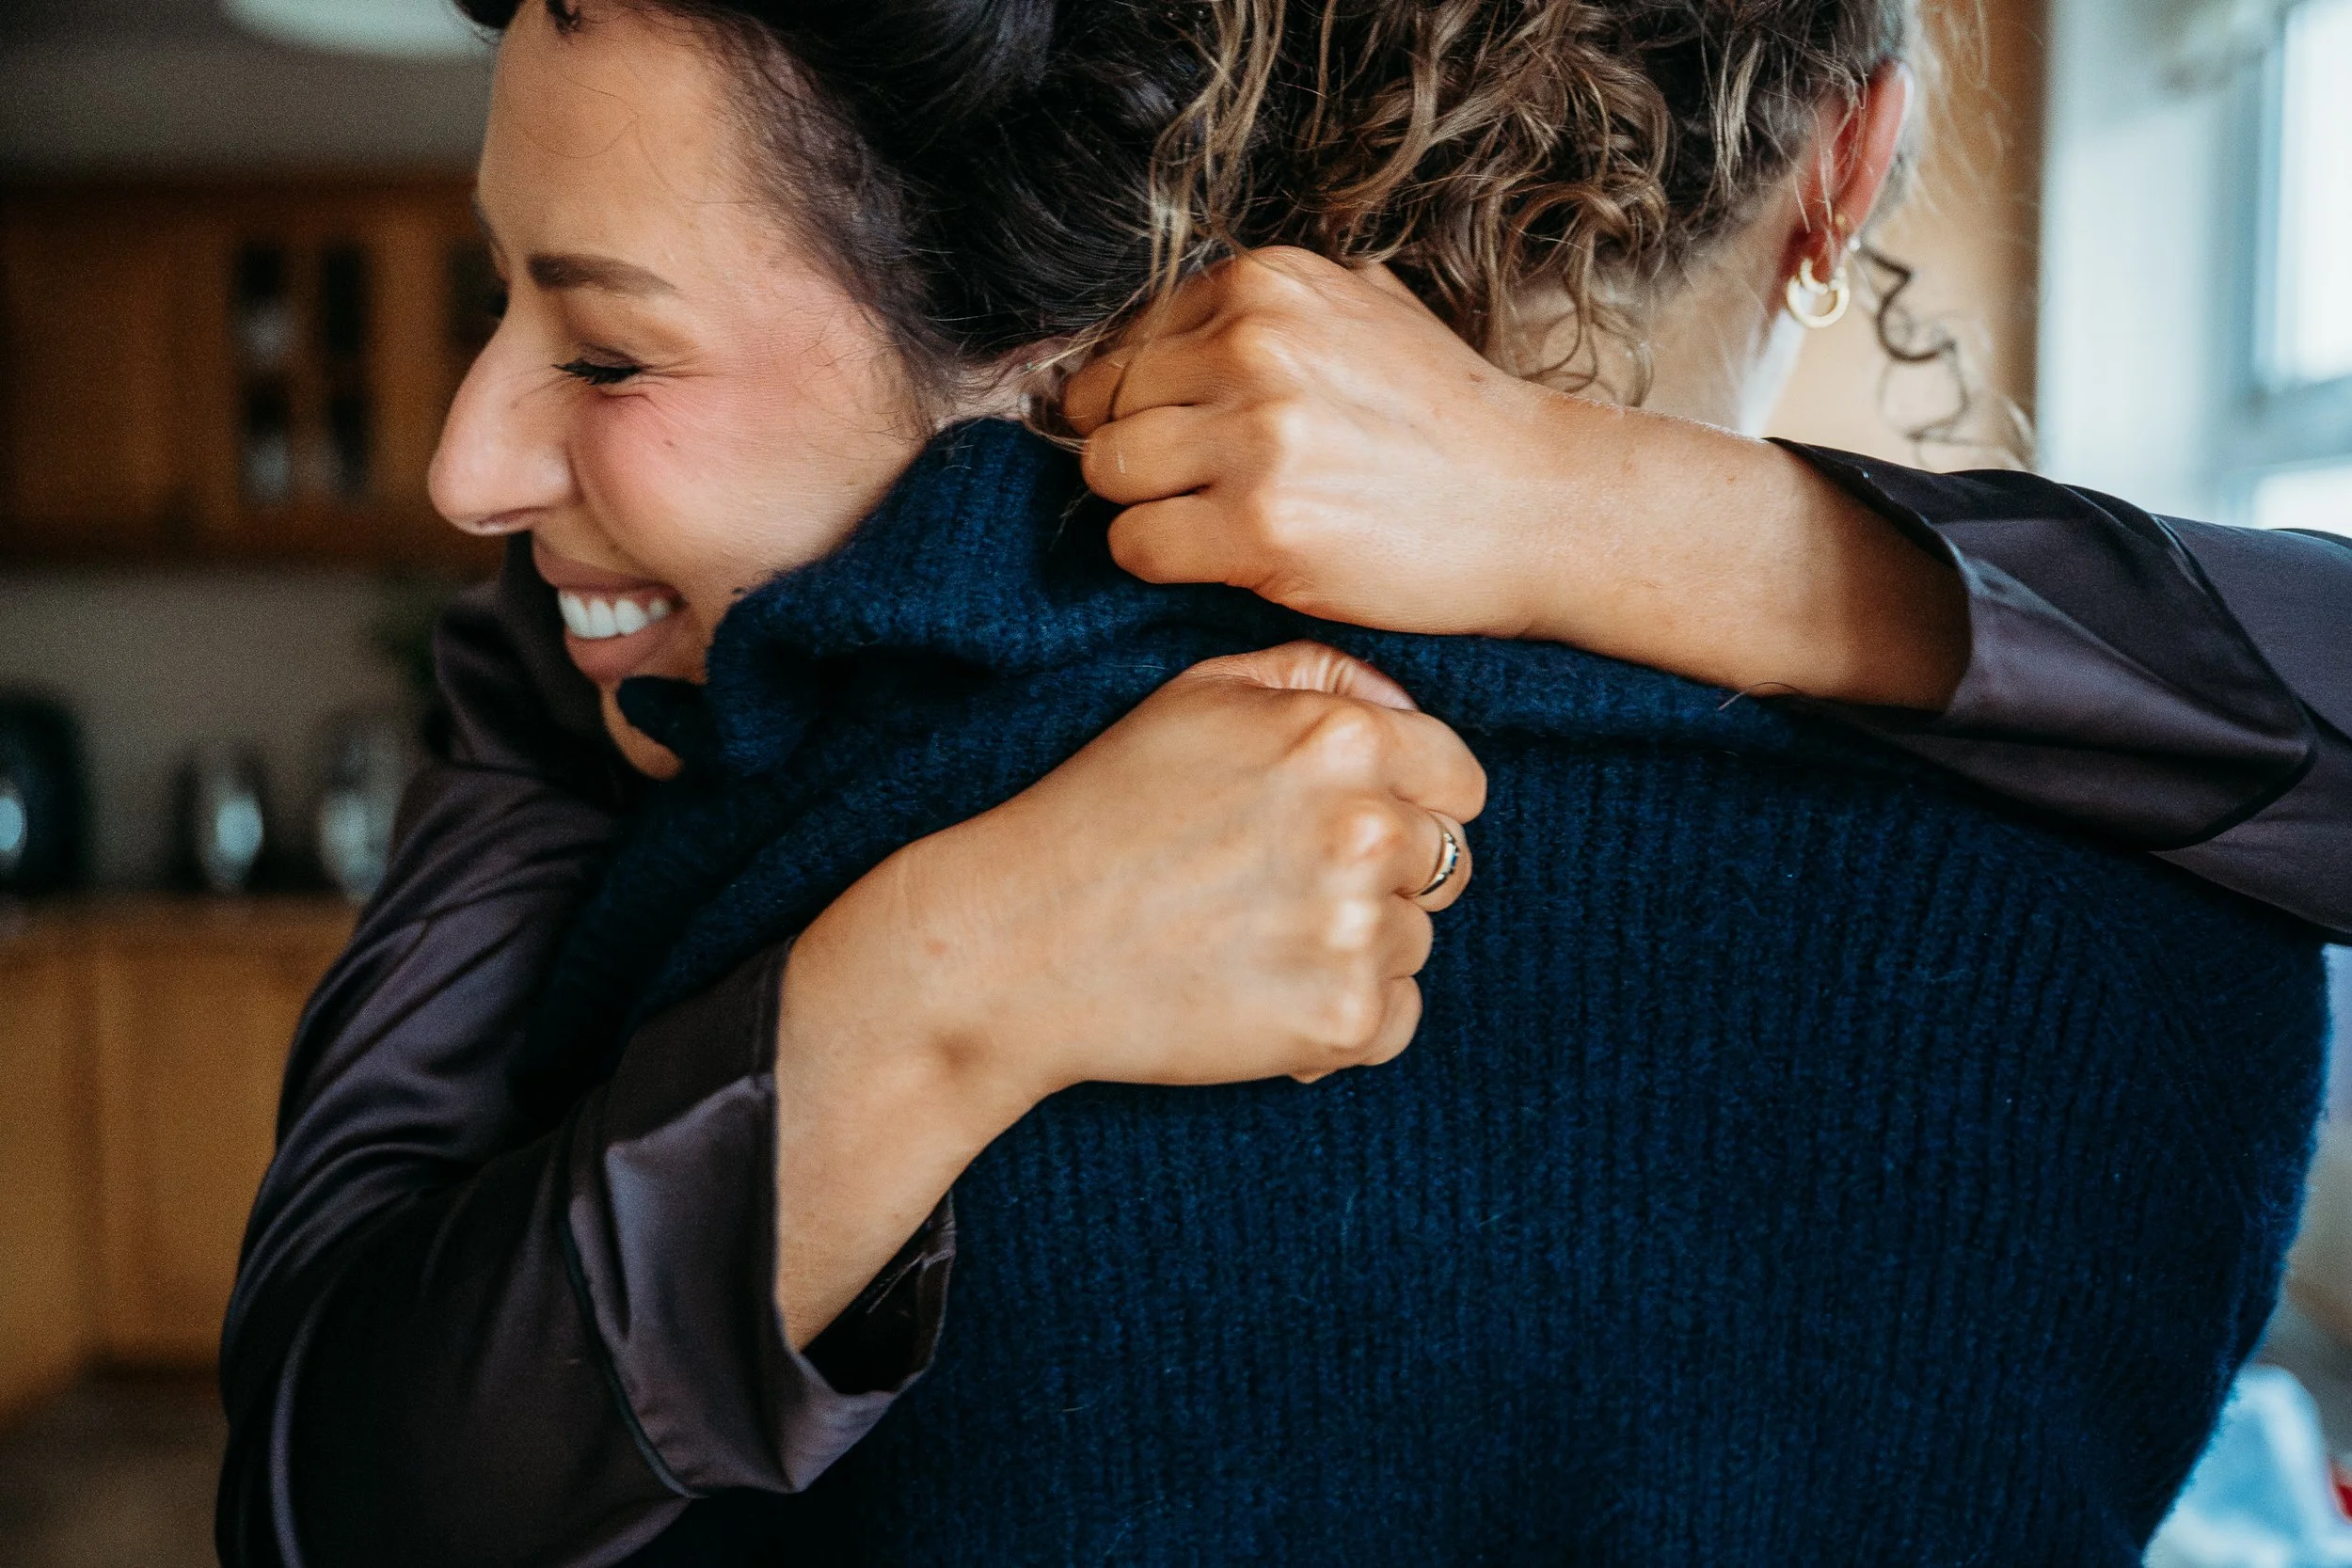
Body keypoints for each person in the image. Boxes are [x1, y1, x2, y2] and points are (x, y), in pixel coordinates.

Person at [215, 1, 2342, 1564]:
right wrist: (948, 978)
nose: (461, 469)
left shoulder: (786, 769)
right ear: (1847, 163)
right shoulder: (2178, 896)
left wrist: (1593, 509)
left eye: (605, 345)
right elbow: (333, 1476)